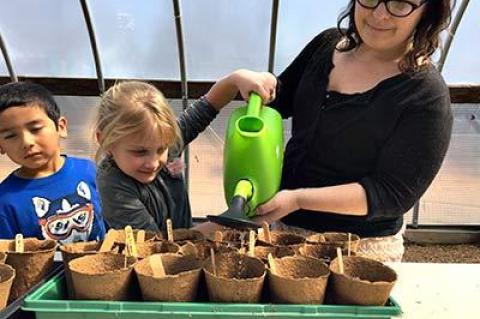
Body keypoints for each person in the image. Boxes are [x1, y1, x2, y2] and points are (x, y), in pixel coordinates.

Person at [254, 0, 454, 262]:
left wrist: (298, 199)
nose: (380, 15)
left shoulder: (425, 95)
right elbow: (280, 99)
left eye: (400, 3)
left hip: (360, 249)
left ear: (428, 12)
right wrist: (257, 84)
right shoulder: (326, 45)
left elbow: (391, 194)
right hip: (283, 232)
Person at [95, 70, 276, 234]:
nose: (154, 163)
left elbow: (207, 107)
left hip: (183, 253)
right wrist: (230, 223)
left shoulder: (162, 137)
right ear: (106, 142)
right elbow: (154, 247)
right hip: (144, 264)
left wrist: (236, 79)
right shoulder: (112, 184)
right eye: (140, 152)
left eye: (161, 149)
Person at [0, 82, 106, 243]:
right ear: (1, 146)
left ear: (61, 127)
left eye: (35, 129)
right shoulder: (5, 201)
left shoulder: (90, 171)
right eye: (10, 136)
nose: (26, 142)